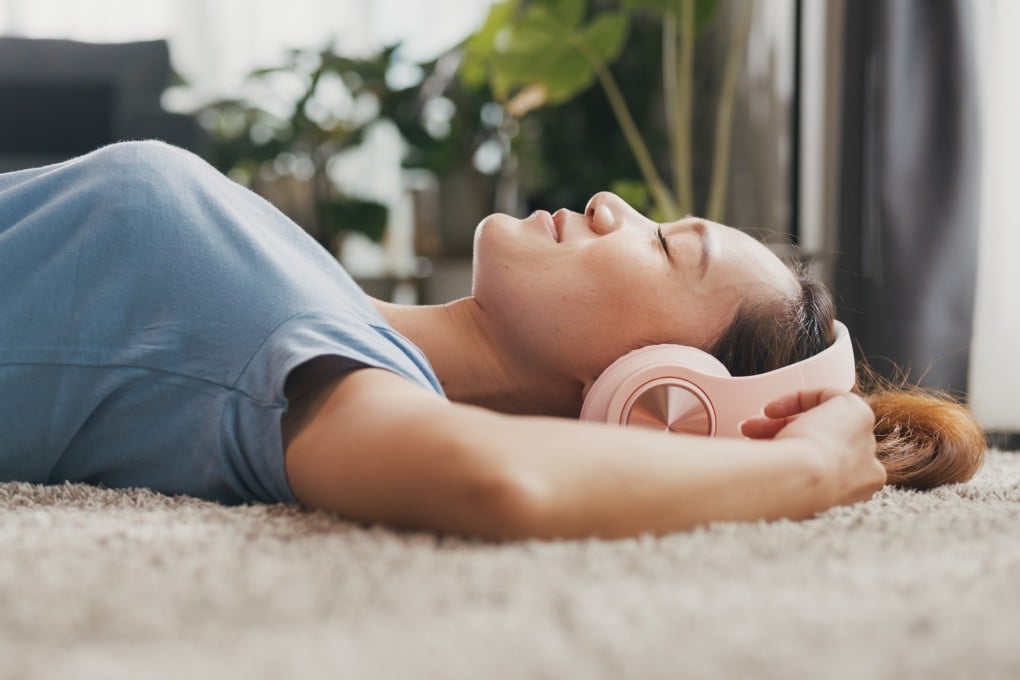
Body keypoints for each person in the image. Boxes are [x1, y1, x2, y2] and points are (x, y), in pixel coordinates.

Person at [0, 141, 985, 540]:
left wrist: (805, 473)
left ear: (660, 395)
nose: (610, 205)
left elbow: (495, 482)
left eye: (663, 245)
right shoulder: (322, 305)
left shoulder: (331, 375)